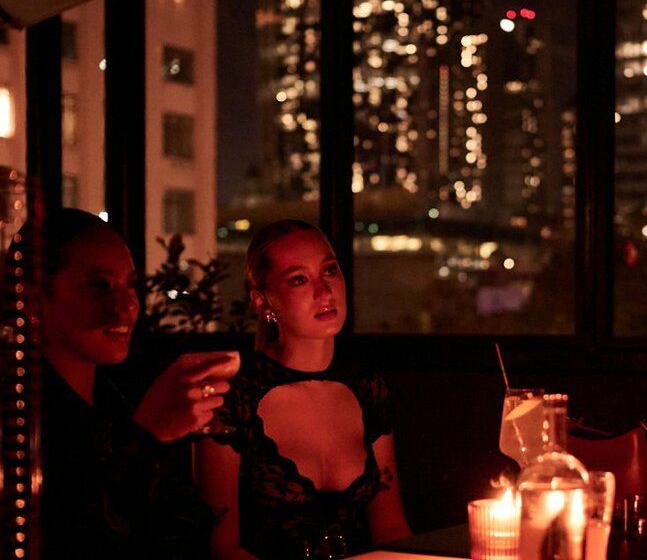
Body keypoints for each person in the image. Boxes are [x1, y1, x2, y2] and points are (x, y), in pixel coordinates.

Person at [6, 208, 239, 559]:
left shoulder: (118, 400)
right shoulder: (18, 419)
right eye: (100, 284)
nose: (125, 307)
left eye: (130, 284)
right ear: (33, 298)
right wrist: (149, 437)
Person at [197, 220, 411, 560]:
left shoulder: (368, 388)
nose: (324, 292)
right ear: (264, 302)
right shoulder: (232, 398)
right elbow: (222, 547)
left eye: (329, 271)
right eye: (299, 279)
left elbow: (391, 529)